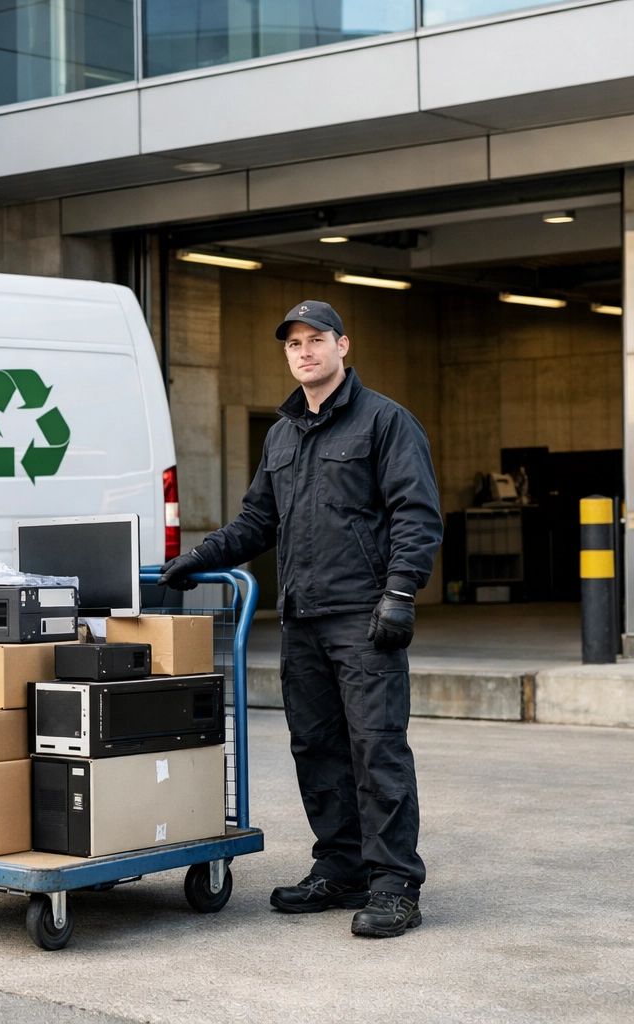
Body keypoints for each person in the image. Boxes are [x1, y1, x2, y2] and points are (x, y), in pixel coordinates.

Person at [158, 300, 442, 939]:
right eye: (294, 344)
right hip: (303, 618)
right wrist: (197, 559)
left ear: (344, 346)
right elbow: (259, 519)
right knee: (317, 748)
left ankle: (395, 884)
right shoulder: (284, 433)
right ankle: (341, 867)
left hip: (364, 616)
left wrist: (400, 592)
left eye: (317, 340)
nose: (304, 351)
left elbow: (416, 513)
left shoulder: (385, 422)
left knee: (377, 749)